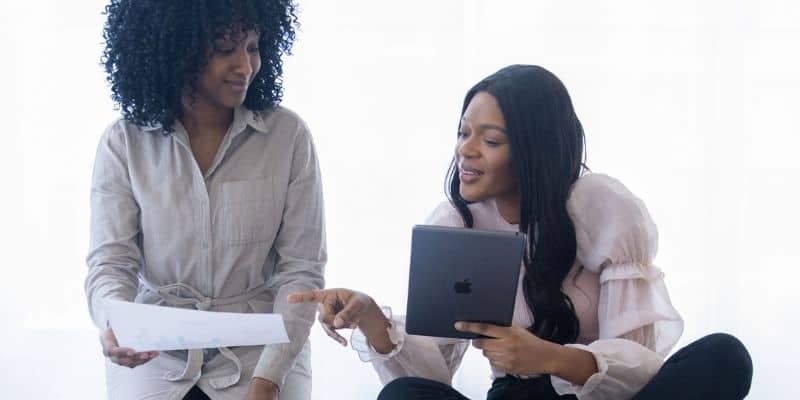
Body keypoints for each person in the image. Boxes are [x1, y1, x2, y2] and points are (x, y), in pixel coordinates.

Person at [288, 65, 752, 399]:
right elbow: (434, 376)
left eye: (490, 140)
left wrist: (548, 357)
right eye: (463, 132)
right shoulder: (456, 224)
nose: (465, 151)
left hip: (596, 398)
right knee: (406, 396)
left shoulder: (600, 208)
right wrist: (372, 320)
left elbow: (640, 367)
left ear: (535, 149)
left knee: (724, 356)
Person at [85, 1, 325, 399]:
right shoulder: (123, 142)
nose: (245, 66)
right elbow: (111, 262)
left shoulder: (289, 136)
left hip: (262, 347)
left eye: (252, 46)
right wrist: (115, 322)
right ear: (176, 48)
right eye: (225, 48)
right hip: (156, 349)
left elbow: (302, 270)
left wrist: (270, 375)